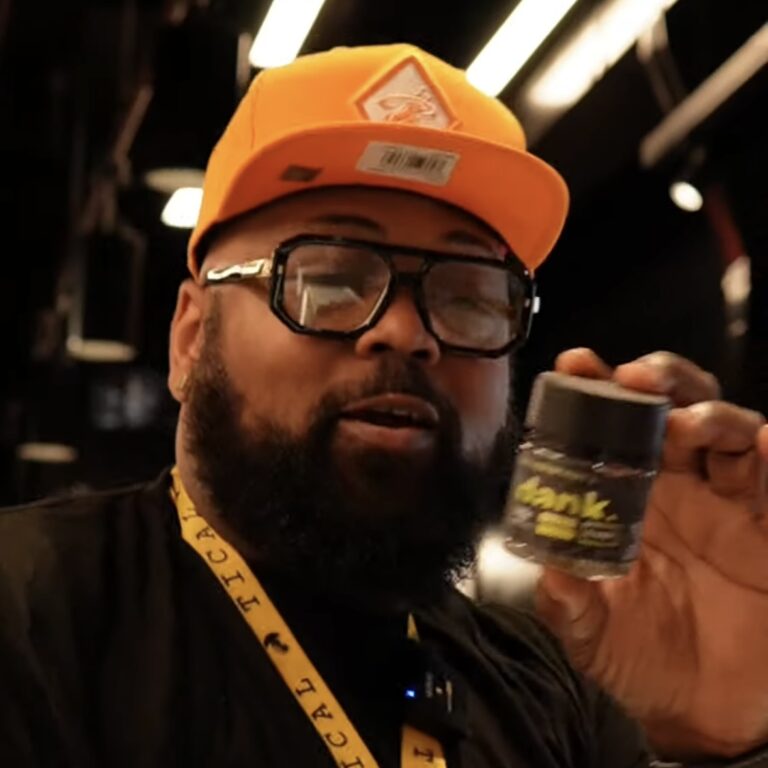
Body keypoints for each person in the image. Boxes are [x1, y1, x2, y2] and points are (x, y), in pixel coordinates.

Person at [1, 43, 767, 768]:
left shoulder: (547, 692)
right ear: (191, 338)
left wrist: (728, 733)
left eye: (469, 297)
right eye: (329, 279)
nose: (407, 332)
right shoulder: (33, 616)